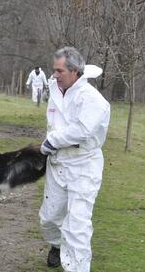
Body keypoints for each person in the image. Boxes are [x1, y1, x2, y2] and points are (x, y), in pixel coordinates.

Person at [39, 46, 110, 272]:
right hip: (58, 164)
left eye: (60, 71)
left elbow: (82, 130)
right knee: (49, 218)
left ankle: (77, 267)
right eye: (54, 70)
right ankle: (57, 246)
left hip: (83, 165)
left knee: (77, 225)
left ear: (75, 71)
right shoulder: (55, 87)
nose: (55, 75)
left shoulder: (92, 99)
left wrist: (53, 141)